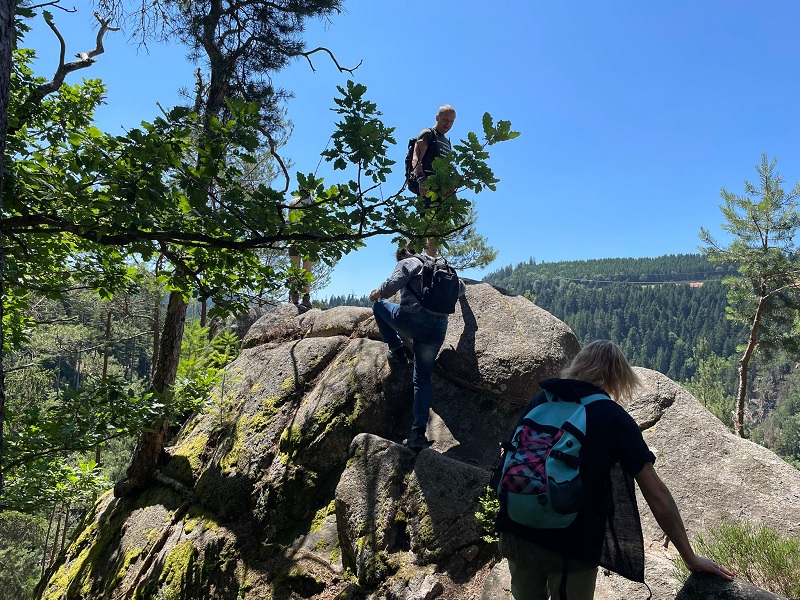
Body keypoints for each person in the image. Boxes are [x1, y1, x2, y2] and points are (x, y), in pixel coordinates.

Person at [496, 340, 734, 600]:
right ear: (617, 376)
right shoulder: (611, 416)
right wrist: (690, 557)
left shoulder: (541, 400)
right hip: (572, 544)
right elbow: (656, 493)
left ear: (579, 365)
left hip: (517, 529)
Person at [369, 246, 465, 450]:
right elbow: (461, 288)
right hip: (438, 328)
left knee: (378, 306)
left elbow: (391, 286)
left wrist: (377, 293)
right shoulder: (440, 265)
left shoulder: (407, 262)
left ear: (401, 257)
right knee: (422, 379)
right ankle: (417, 435)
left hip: (413, 320)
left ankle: (396, 349)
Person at [410, 104, 456, 257]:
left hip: (442, 190)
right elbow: (416, 158)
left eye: (451, 121)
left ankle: (429, 259)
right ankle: (416, 256)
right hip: (428, 186)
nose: (448, 124)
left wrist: (452, 195)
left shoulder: (447, 142)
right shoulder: (427, 134)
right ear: (437, 117)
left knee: (438, 226)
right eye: (445, 120)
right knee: (428, 224)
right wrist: (421, 179)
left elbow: (447, 169)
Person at [287, 194, 314, 309]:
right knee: (298, 268)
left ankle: (303, 298)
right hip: (300, 237)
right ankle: (297, 297)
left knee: (303, 269)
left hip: (304, 238)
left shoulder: (313, 203)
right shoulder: (293, 202)